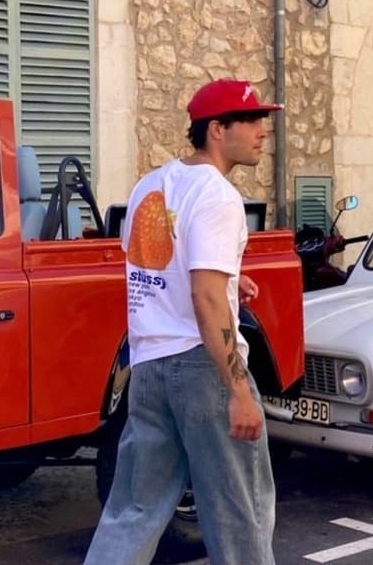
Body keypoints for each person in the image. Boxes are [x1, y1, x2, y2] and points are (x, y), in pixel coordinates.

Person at [83, 79, 282, 565]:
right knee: (240, 515)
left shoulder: (149, 186)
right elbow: (204, 296)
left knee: (133, 511)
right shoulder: (218, 196)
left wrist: (231, 282)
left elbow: (159, 266)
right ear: (217, 129)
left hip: (148, 367)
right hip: (203, 368)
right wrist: (238, 390)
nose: (262, 131)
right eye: (249, 120)